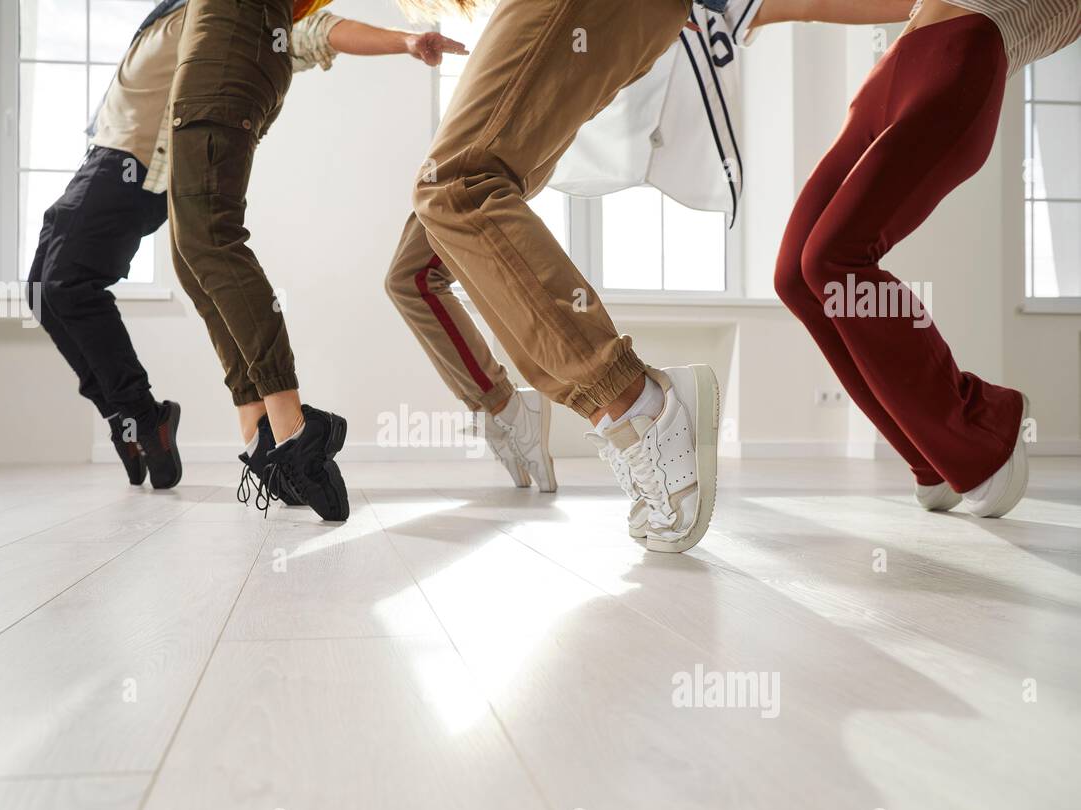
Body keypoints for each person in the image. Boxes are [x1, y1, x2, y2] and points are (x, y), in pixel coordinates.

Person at [387, 0, 914, 500]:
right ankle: (514, 409)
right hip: (636, 23)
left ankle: (637, 410)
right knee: (418, 261)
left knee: (455, 184)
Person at [29, 0, 463, 496]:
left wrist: (404, 41)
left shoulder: (227, 17)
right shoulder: (171, 14)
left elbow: (316, 30)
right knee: (41, 288)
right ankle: (133, 416)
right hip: (102, 153)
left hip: (135, 164)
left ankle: (147, 418)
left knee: (71, 284)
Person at [775, 0, 1080, 519]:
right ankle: (932, 457)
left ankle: (982, 424)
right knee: (796, 277)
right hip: (892, 69)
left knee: (833, 258)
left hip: (964, 56)